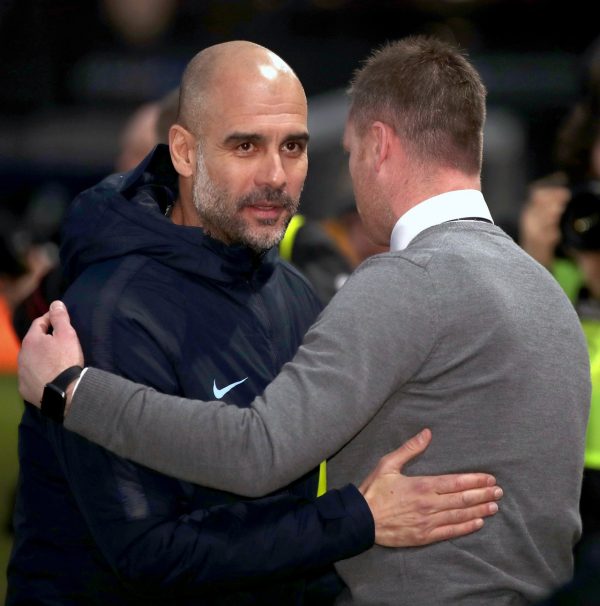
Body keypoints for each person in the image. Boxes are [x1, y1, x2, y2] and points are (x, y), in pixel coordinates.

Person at [19, 35, 590, 605]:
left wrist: (73, 392)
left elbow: (262, 455)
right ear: (185, 153)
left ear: (377, 145)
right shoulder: (545, 292)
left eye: (294, 146)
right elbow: (152, 550)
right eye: (246, 146)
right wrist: (356, 519)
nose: (276, 174)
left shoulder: (324, 292)